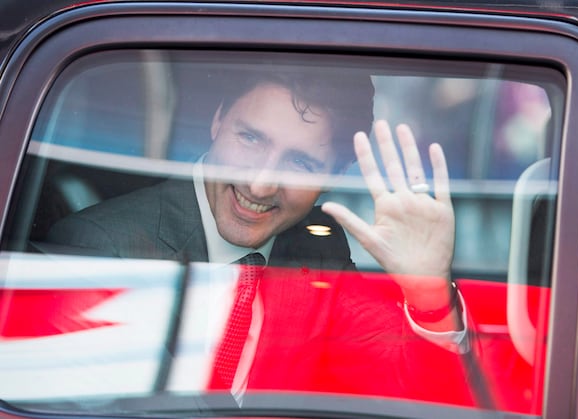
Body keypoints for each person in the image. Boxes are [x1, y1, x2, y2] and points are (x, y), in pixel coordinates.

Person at [46, 69, 479, 406]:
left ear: (329, 179)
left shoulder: (317, 247)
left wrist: (428, 297)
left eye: (301, 164)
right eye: (251, 138)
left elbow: (404, 386)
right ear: (218, 120)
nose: (260, 184)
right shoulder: (101, 250)